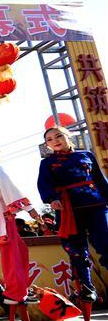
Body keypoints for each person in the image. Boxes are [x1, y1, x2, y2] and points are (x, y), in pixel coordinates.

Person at [37, 125, 108, 302]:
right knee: (76, 249)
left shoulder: (86, 155)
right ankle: (87, 287)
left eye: (58, 136)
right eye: (50, 139)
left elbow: (100, 180)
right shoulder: (46, 163)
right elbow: (44, 185)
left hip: (96, 205)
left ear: (68, 136)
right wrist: (52, 198)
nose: (55, 141)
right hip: (68, 210)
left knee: (106, 244)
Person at [0, 128, 42, 306]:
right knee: (14, 253)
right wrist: (30, 209)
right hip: (2, 214)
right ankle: (15, 293)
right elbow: (8, 187)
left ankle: (18, 290)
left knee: (14, 251)